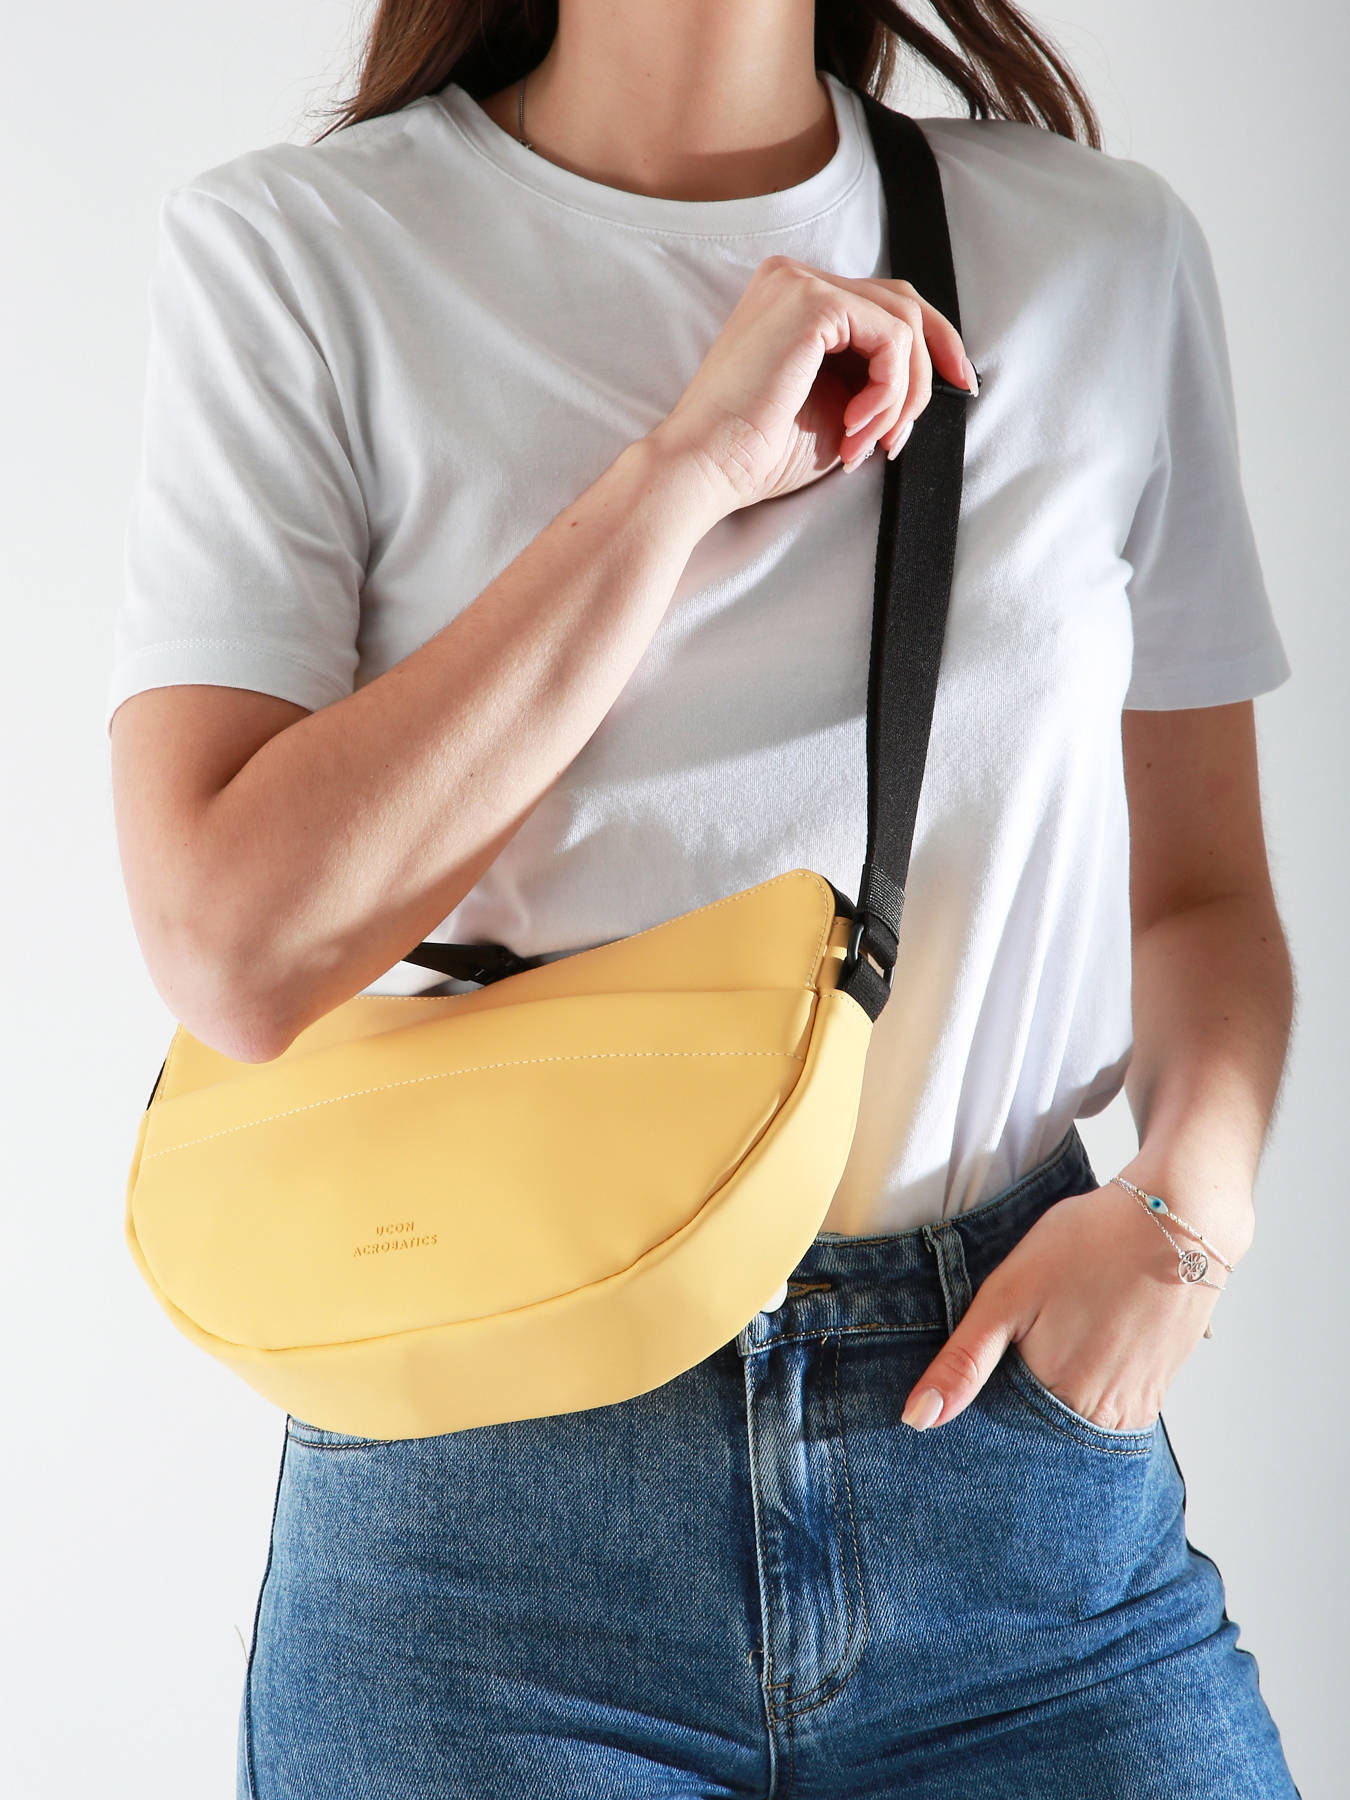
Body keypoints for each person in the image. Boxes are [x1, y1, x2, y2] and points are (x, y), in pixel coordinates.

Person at [106, 2, 1304, 1795]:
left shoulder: (1095, 255)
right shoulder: (304, 254)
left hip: (1008, 1467)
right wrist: (681, 479)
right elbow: (232, 951)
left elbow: (1199, 889)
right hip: (487, 1534)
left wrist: (1184, 1217)